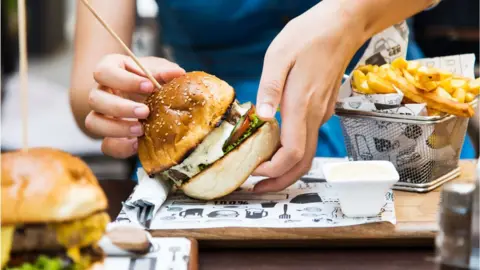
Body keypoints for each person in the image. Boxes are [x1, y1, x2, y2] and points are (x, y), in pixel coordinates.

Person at [70, 0, 473, 192]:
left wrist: (350, 16)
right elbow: (84, 90)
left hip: (403, 129)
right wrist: (115, 95)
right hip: (232, 170)